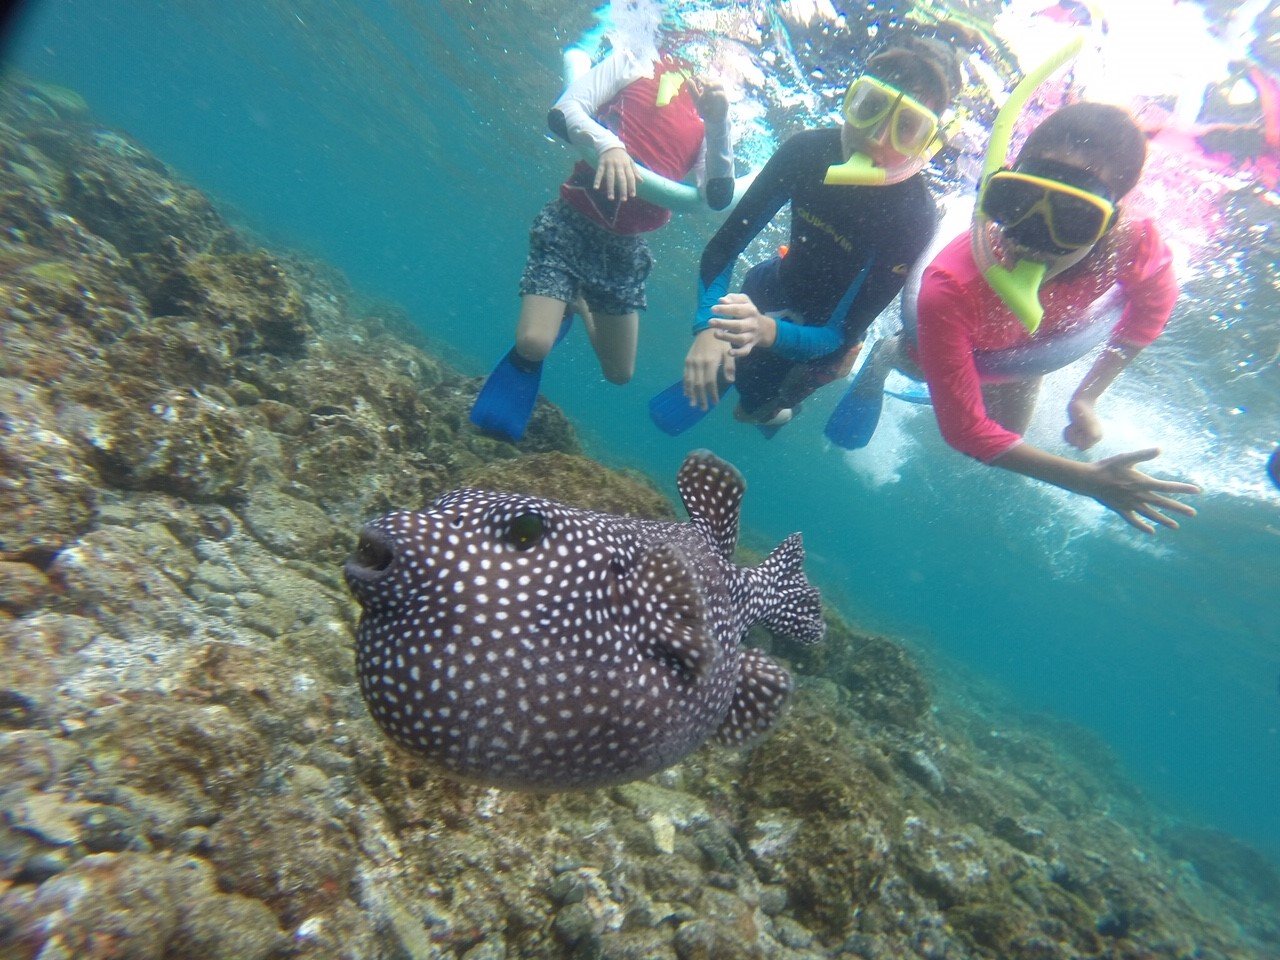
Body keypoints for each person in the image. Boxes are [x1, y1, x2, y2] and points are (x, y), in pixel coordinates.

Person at [861, 102, 1201, 533]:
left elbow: (1149, 312)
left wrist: (1086, 398)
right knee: (917, 367)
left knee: (1006, 439)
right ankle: (886, 352)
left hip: (1025, 355)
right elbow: (964, 431)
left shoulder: (1132, 243)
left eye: (1074, 218)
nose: (1034, 237)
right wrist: (1085, 480)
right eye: (1018, 202)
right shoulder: (950, 288)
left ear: (1109, 223)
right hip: (956, 340)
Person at [649, 33, 966, 437]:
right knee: (724, 360)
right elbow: (724, 249)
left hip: (823, 340)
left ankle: (792, 407)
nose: (877, 138)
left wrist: (766, 331)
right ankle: (738, 366)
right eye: (870, 108)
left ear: (928, 142)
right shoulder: (807, 152)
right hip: (771, 283)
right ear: (851, 99)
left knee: (752, 414)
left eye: (907, 127)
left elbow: (839, 334)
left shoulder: (913, 218)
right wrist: (709, 324)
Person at [470, 49, 733, 443]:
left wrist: (718, 123)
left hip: (624, 253)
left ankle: (575, 302)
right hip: (571, 225)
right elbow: (566, 110)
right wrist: (608, 144)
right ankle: (544, 329)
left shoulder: (715, 108)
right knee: (533, 342)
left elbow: (713, 192)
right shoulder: (637, 57)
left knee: (619, 373)